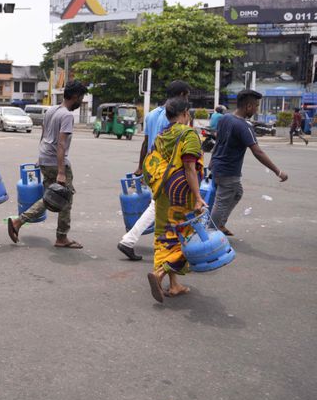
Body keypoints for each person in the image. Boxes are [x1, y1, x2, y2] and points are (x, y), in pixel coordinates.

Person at [7, 81, 89, 248]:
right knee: (65, 198)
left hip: (45, 158)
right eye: (80, 98)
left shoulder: (52, 110)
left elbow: (44, 134)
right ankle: (61, 237)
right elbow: (61, 144)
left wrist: (40, 156)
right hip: (56, 162)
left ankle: (19, 222)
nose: (80, 101)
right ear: (74, 97)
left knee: (50, 197)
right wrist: (61, 171)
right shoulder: (66, 115)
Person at [117, 80, 191, 261]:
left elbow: (145, 143)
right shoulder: (176, 117)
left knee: (158, 207)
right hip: (170, 171)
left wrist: (141, 167)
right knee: (164, 208)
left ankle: (134, 241)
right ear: (182, 95)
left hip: (154, 169)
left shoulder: (151, 115)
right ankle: (132, 241)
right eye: (187, 95)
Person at [144, 98, 207, 303]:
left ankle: (174, 285)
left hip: (162, 194)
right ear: (185, 113)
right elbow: (189, 167)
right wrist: (198, 198)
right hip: (182, 195)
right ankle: (161, 273)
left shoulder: (162, 135)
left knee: (165, 235)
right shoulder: (188, 134)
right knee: (184, 237)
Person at [210, 90, 288, 236]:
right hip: (228, 170)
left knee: (237, 193)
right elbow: (258, 152)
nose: (256, 109)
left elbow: (218, 140)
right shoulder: (244, 126)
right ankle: (210, 233)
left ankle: (219, 224)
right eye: (256, 106)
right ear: (248, 106)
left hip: (218, 166)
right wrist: (278, 171)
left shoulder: (225, 118)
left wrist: (212, 162)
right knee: (221, 201)